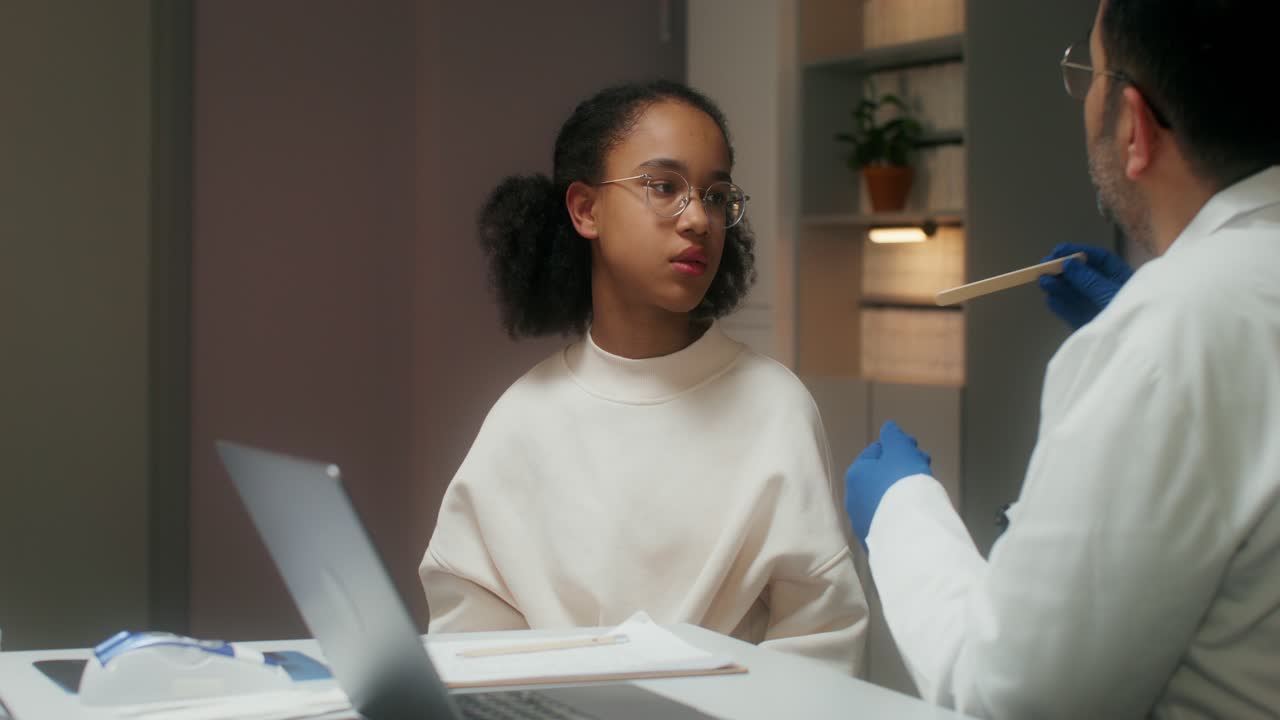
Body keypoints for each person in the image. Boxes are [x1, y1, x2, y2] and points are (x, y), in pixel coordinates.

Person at [843, 0, 1280, 716]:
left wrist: (900, 512)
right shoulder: (1196, 314)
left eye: (1090, 74)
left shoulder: (1167, 334)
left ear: (1135, 127)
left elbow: (1015, 697)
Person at [420, 80, 868, 674]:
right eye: (664, 187)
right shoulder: (522, 418)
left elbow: (822, 639)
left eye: (715, 195)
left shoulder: (775, 406)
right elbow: (465, 637)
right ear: (586, 209)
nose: (699, 220)